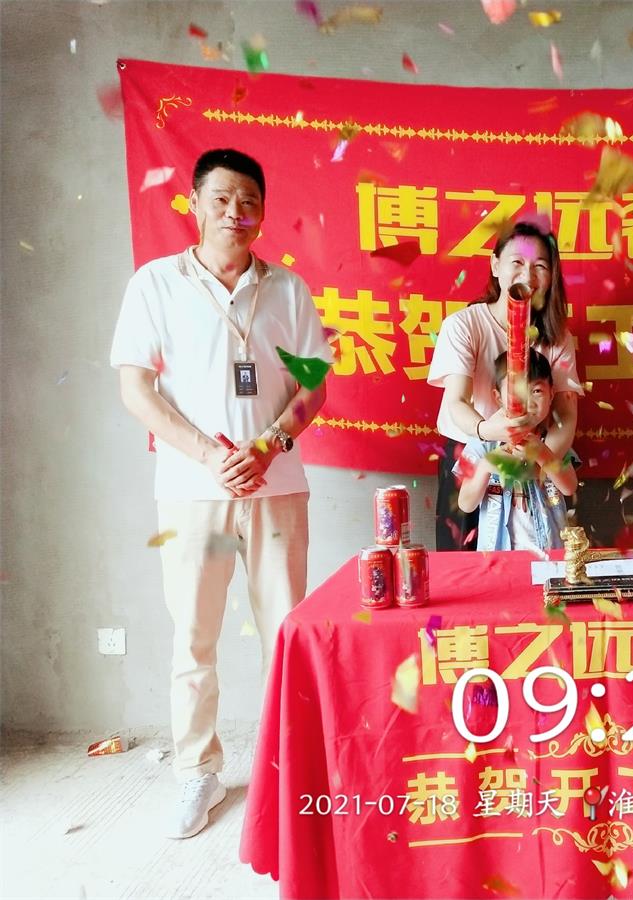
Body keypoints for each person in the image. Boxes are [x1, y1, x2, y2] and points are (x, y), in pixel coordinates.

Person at [110, 148, 331, 838]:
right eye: (223, 199)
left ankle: (284, 768)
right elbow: (136, 388)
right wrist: (210, 455)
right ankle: (197, 773)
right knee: (194, 635)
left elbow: (313, 386)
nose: (236, 212)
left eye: (249, 201)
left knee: (286, 633)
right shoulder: (156, 284)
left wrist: (269, 445)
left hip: (277, 486)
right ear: (195, 203)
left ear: (263, 212)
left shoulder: (286, 290)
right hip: (190, 489)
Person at [427, 221, 583, 551]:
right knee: (462, 563)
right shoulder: (464, 325)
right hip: (471, 451)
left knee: (538, 552)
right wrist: (488, 433)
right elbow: (456, 402)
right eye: (517, 262)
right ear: (496, 265)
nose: (528, 274)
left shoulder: (558, 338)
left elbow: (566, 413)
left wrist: (542, 459)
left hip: (535, 455)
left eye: (540, 266)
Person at [455, 350, 579, 550]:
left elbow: (569, 487)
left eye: (536, 391)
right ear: (498, 397)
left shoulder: (554, 440)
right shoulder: (483, 443)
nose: (527, 401)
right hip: (498, 554)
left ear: (551, 394)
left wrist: (542, 453)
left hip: (550, 553)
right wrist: (486, 465)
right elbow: (465, 503)